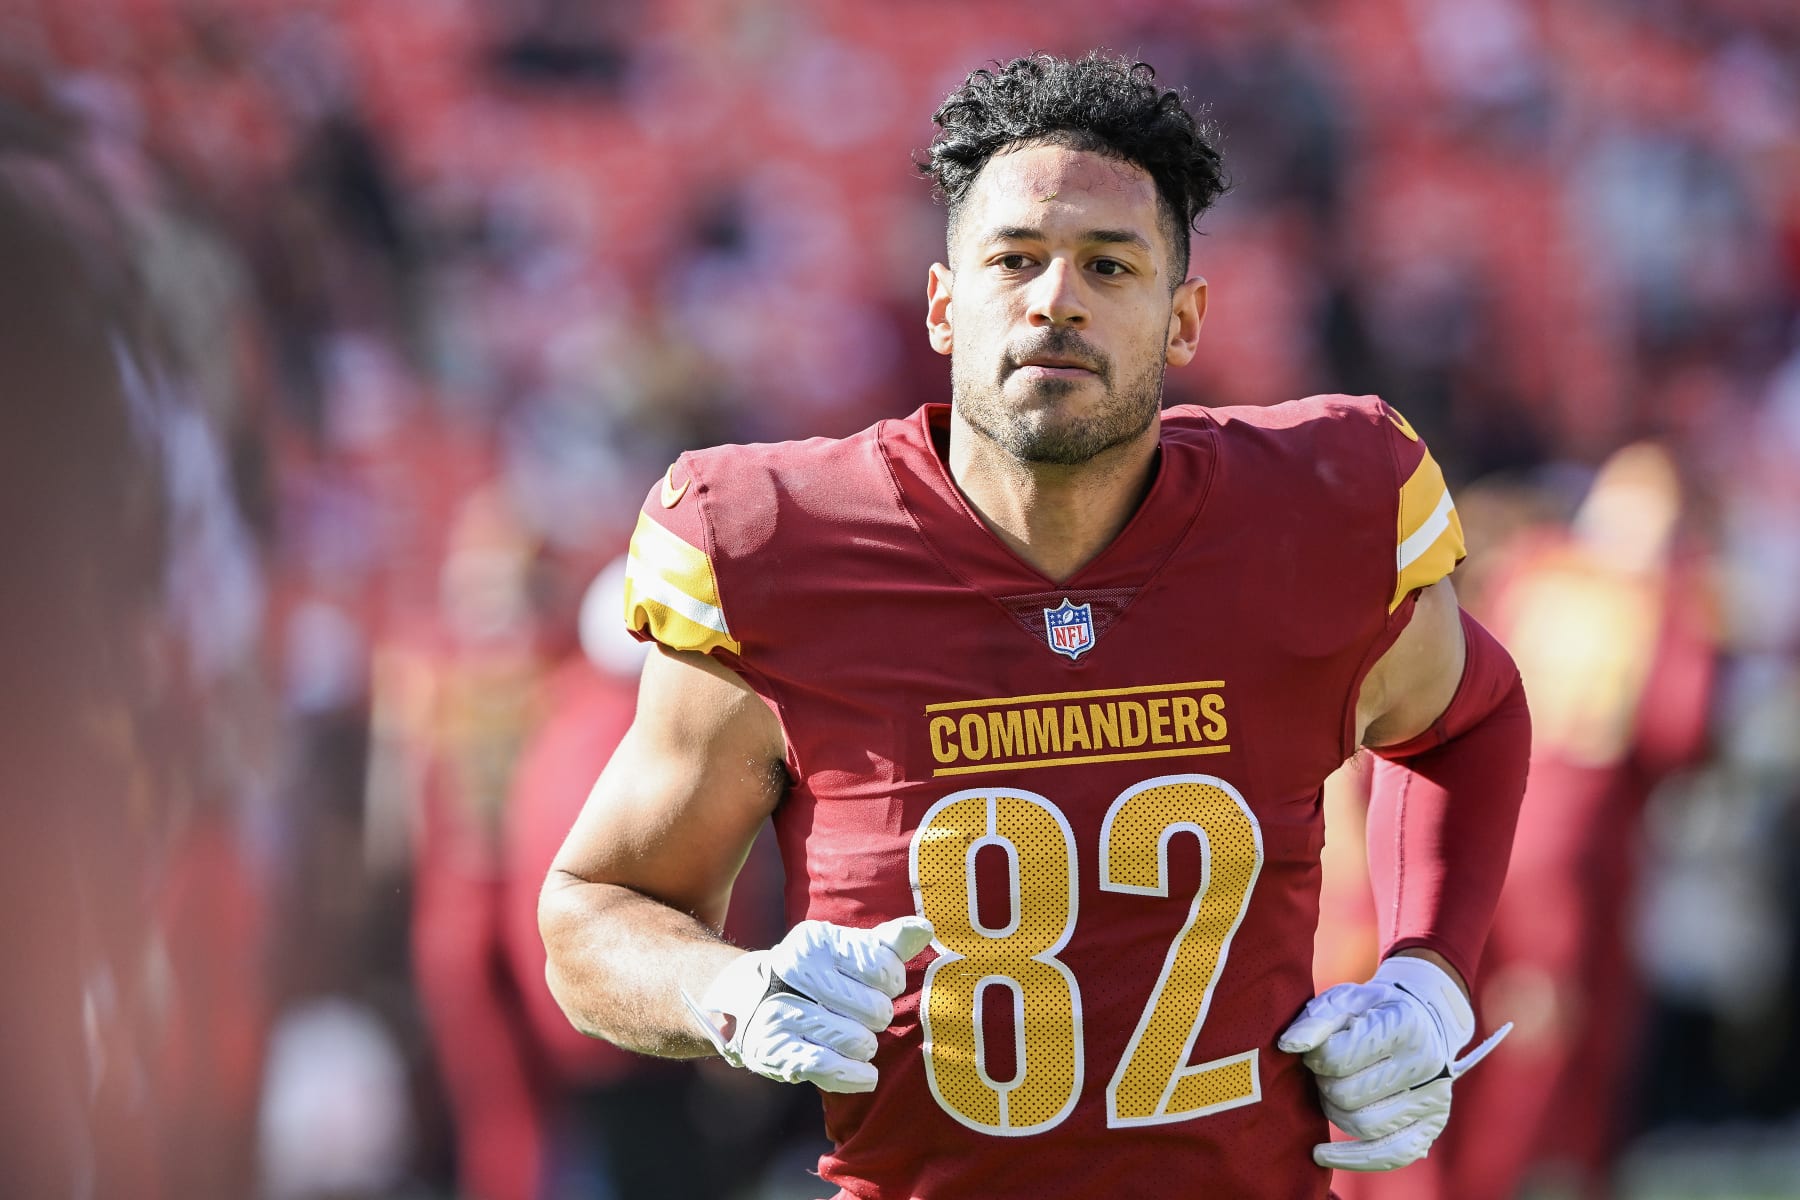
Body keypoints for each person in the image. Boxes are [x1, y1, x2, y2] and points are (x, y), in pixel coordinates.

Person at [540, 52, 1531, 1199]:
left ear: (1184, 319)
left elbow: (1473, 714)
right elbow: (594, 913)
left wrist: (1431, 973)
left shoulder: (1315, 512)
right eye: (1014, 259)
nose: (1056, 299)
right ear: (944, 304)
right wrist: (727, 992)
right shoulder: (775, 545)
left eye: (1110, 266)